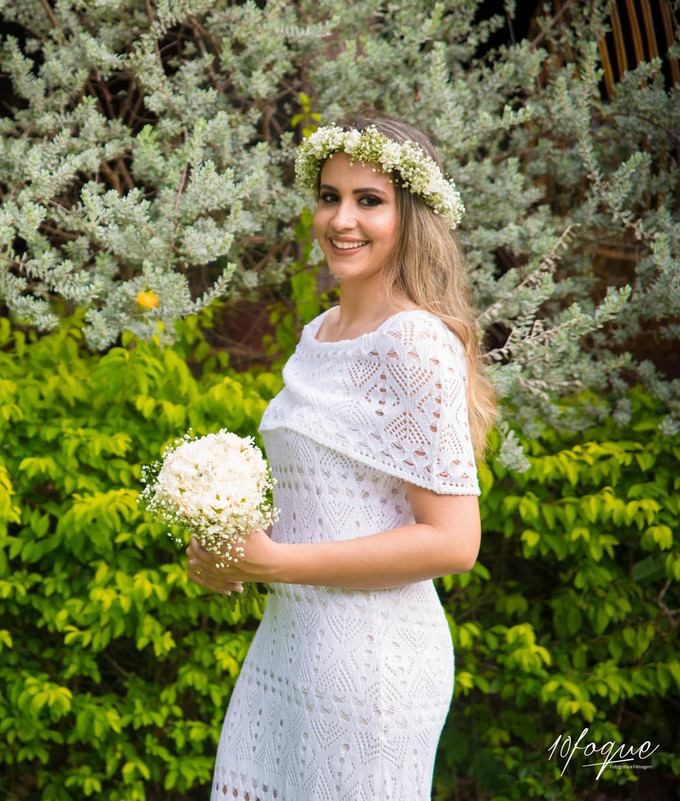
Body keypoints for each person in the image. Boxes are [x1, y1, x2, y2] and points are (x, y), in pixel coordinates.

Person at [187, 117, 498, 800]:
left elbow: (454, 541)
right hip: (291, 646)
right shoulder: (318, 332)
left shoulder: (414, 343)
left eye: (369, 199)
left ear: (412, 214)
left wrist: (275, 562)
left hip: (372, 665)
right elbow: (331, 498)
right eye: (330, 196)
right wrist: (228, 545)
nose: (342, 218)